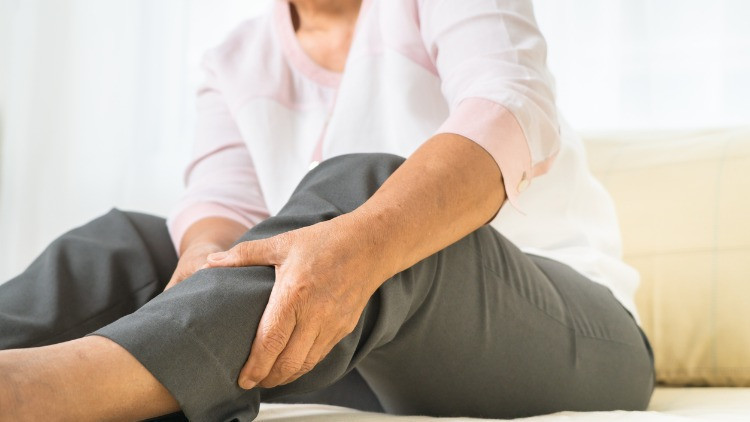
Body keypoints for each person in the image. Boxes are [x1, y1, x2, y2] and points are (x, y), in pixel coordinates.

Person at [0, 0, 655, 420]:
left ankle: (37, 392)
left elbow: (510, 104)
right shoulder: (233, 60)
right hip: (351, 355)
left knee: (368, 196)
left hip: (570, 338)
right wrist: (203, 257)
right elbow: (221, 203)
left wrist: (362, 242)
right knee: (134, 245)